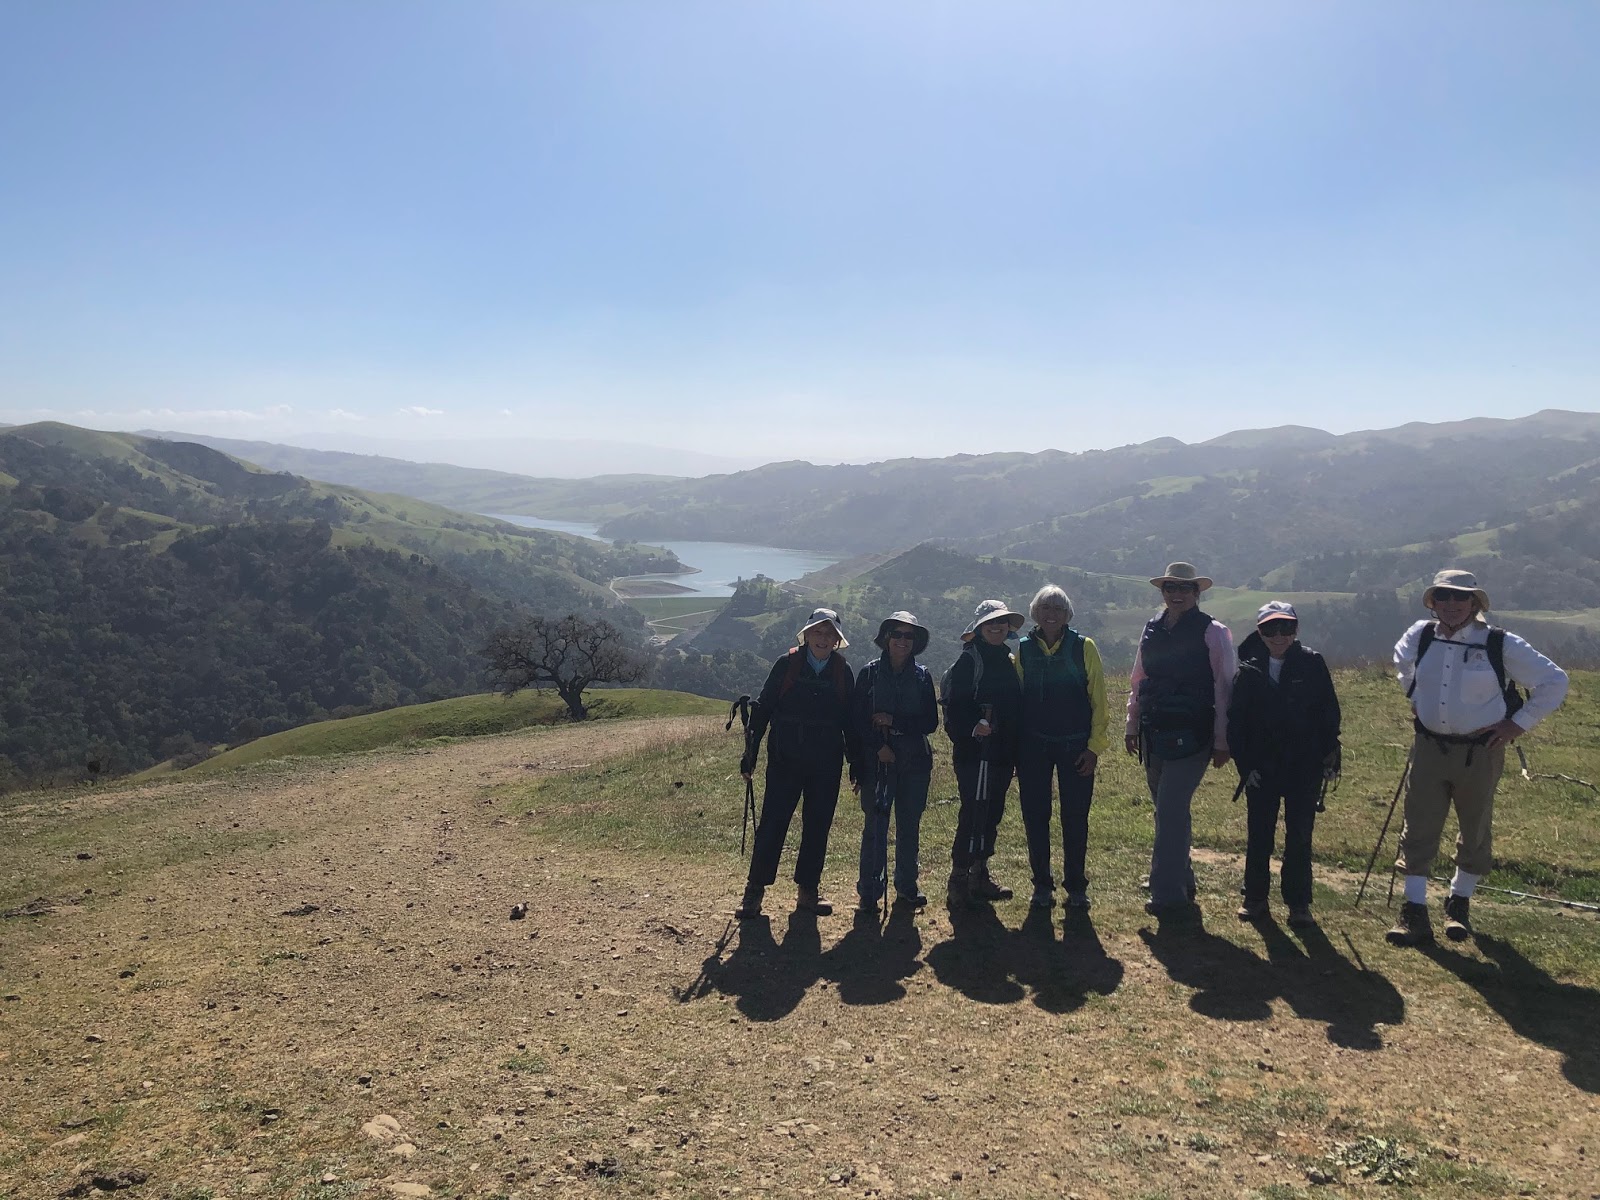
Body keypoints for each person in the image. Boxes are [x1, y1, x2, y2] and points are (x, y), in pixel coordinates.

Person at [1387, 570, 1569, 946]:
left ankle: (1459, 904)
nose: (1452, 604)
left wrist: (1517, 725)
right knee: (1418, 827)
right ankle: (1414, 912)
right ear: (1433, 602)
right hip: (1428, 748)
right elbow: (1402, 661)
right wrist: (1415, 696)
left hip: (1481, 751)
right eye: (1443, 596)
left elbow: (1555, 681)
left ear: (1474, 603)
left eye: (1460, 597)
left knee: (1475, 827)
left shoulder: (1500, 643)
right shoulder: (1420, 635)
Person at [735, 608, 860, 920]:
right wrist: (750, 754)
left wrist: (856, 763)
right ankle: (754, 891)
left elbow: (851, 722)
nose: (823, 638)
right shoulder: (787, 664)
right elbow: (763, 709)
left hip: (826, 763)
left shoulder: (842, 671)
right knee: (772, 824)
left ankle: (808, 891)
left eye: (829, 634)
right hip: (784, 760)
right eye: (818, 631)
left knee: (818, 826)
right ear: (807, 635)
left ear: (837, 640)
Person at [1124, 562, 1234, 915]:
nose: (1176, 594)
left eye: (1184, 588)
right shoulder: (1152, 628)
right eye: (1170, 587)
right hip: (1155, 731)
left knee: (1170, 810)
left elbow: (1224, 687)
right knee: (1167, 810)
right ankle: (1179, 876)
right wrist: (1132, 723)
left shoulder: (1214, 632)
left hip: (1194, 734)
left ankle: (1167, 894)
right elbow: (1139, 678)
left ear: (1196, 593)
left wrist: (1222, 741)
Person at [1226, 601, 1341, 928]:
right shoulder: (1247, 669)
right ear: (1259, 632)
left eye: (1286, 627)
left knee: (1300, 836)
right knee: (1259, 833)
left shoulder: (1312, 663)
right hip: (1261, 768)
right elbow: (1236, 724)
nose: (1279, 635)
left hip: (1305, 766)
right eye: (1270, 629)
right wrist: (1245, 767)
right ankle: (1255, 898)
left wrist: (1329, 755)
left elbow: (1329, 713)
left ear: (1296, 629)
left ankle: (1298, 903)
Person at [1014, 585, 1109, 911]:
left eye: (1057, 609)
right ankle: (1042, 885)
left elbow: (1099, 701)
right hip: (1033, 746)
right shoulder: (1023, 650)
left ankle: (1076, 887)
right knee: (1035, 816)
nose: (1051, 614)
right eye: (1045, 608)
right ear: (1035, 613)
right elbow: (1017, 701)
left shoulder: (1084, 647)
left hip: (1076, 747)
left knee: (1075, 817)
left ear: (1067, 614)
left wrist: (1094, 748)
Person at [852, 611, 940, 910]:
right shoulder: (869, 674)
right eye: (897, 634)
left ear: (915, 641)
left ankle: (907, 886)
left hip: (915, 763)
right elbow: (857, 720)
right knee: (875, 826)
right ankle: (869, 892)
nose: (903, 641)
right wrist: (878, 747)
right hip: (878, 762)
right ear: (887, 638)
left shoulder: (922, 676)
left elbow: (930, 722)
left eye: (909, 636)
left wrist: (894, 720)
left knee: (909, 825)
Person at [944, 599, 1025, 906]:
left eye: (1001, 622)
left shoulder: (1008, 659)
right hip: (973, 754)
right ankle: (959, 877)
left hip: (1001, 751)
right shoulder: (969, 661)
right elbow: (955, 707)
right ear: (979, 628)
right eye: (990, 622)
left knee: (992, 812)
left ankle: (980, 872)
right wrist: (973, 726)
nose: (996, 627)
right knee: (973, 811)